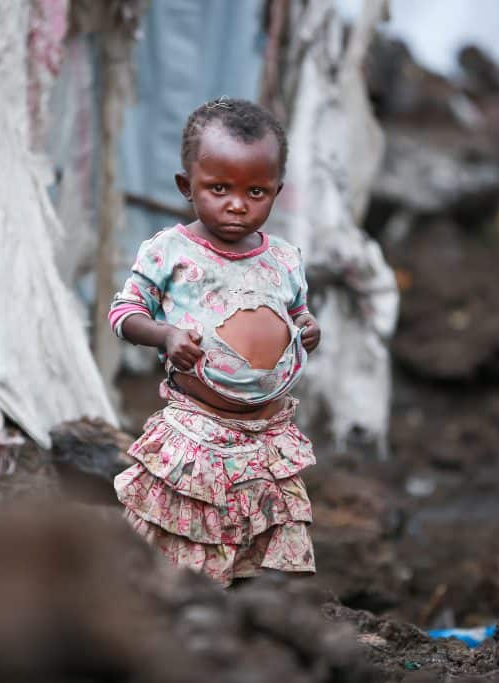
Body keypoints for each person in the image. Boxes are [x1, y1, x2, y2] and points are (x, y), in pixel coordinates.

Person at [108, 98, 321, 586]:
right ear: (188, 187)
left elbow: (294, 312)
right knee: (185, 544)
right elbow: (124, 313)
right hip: (198, 432)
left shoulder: (284, 258)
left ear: (276, 192)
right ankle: (183, 617)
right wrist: (165, 333)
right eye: (219, 188)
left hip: (268, 438)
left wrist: (308, 327)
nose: (237, 204)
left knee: (265, 546)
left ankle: (251, 620)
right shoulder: (171, 252)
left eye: (256, 192)